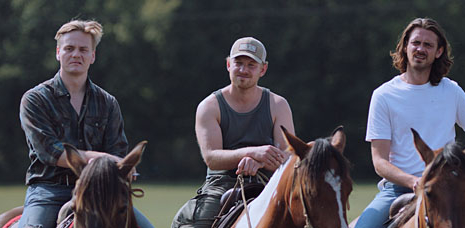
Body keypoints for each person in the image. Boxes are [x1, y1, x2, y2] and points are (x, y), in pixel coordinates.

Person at [354, 18, 465, 228]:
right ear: (405, 47)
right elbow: (379, 162)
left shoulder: (452, 91)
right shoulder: (383, 95)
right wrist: (413, 182)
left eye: (428, 45)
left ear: (438, 52)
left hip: (448, 189)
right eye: (416, 43)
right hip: (397, 190)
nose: (421, 49)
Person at [17, 19, 153, 228]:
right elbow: (50, 152)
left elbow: (117, 151)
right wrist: (104, 158)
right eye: (69, 48)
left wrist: (119, 165)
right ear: (58, 52)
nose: (76, 54)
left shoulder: (108, 102)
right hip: (49, 191)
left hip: (103, 192)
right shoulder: (35, 99)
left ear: (93, 56)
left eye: (83, 49)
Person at [171, 37, 295, 228]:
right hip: (221, 185)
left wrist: (259, 161)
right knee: (194, 223)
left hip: (270, 183)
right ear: (229, 64)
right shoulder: (209, 106)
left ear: (263, 69)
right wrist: (251, 153)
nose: (244, 70)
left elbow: (288, 155)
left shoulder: (278, 105)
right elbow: (211, 157)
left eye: (251, 65)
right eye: (238, 63)